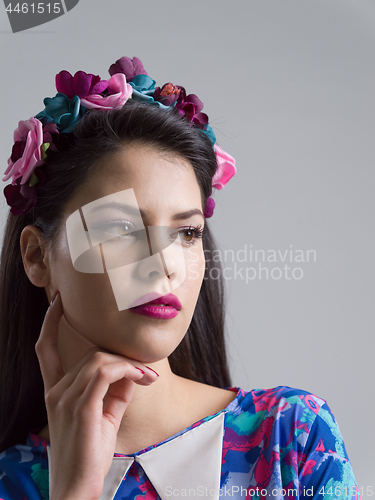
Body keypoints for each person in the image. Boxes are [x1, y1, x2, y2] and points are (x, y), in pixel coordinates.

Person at [0, 56, 361, 500]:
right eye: (119, 228)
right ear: (37, 256)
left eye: (186, 233)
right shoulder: (9, 482)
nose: (164, 263)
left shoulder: (292, 437)